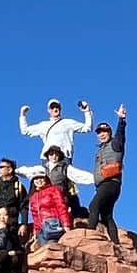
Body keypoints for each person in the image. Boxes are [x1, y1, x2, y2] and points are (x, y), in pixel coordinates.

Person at [88, 105, 126, 247]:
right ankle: (116, 244)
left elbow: (121, 136)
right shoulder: (100, 150)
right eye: (99, 132)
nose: (102, 134)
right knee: (106, 215)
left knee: (93, 206)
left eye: (104, 131)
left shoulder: (115, 144)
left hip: (111, 183)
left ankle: (89, 236)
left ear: (109, 132)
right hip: (104, 185)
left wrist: (121, 120)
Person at [18, 98, 93, 163]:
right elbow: (25, 131)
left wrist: (87, 112)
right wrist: (23, 115)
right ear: (49, 110)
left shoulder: (68, 122)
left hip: (64, 157)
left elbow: (87, 128)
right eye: (52, 107)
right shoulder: (43, 125)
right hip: (48, 158)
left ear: (60, 109)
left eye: (57, 107)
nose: (55, 109)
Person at [28, 169, 73, 244]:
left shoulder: (54, 190)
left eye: (41, 178)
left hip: (53, 225)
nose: (39, 180)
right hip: (41, 230)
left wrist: (66, 224)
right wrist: (35, 231)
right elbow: (35, 216)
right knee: (45, 251)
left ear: (46, 179)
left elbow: (61, 207)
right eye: (36, 178)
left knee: (53, 247)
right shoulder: (33, 197)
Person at [42, 145, 83, 218]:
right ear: (48, 156)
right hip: (47, 199)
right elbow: (28, 171)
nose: (54, 156)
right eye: (51, 154)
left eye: (56, 154)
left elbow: (79, 175)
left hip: (61, 198)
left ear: (59, 156)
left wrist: (94, 178)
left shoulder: (65, 168)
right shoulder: (43, 169)